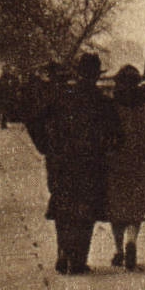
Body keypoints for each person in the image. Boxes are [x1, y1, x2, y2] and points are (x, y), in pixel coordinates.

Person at [26, 53, 119, 275]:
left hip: (60, 160)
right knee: (86, 209)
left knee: (63, 206)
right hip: (90, 163)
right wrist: (106, 149)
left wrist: (44, 145)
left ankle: (63, 251)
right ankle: (78, 259)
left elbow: (33, 118)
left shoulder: (59, 96)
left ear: (76, 73)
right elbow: (116, 134)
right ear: (97, 75)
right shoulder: (102, 101)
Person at [102, 65, 145, 271]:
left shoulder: (111, 108)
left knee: (116, 207)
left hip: (115, 163)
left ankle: (118, 250)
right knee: (136, 207)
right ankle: (131, 239)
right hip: (143, 165)